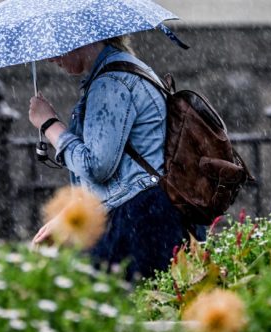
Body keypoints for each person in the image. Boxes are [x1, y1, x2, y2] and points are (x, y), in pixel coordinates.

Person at [28, 36, 194, 280]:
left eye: (54, 46)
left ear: (81, 37)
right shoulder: (123, 70)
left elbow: (96, 167)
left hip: (136, 221)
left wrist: (50, 124)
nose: (49, 58)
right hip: (149, 214)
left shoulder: (111, 83)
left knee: (119, 311)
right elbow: (120, 172)